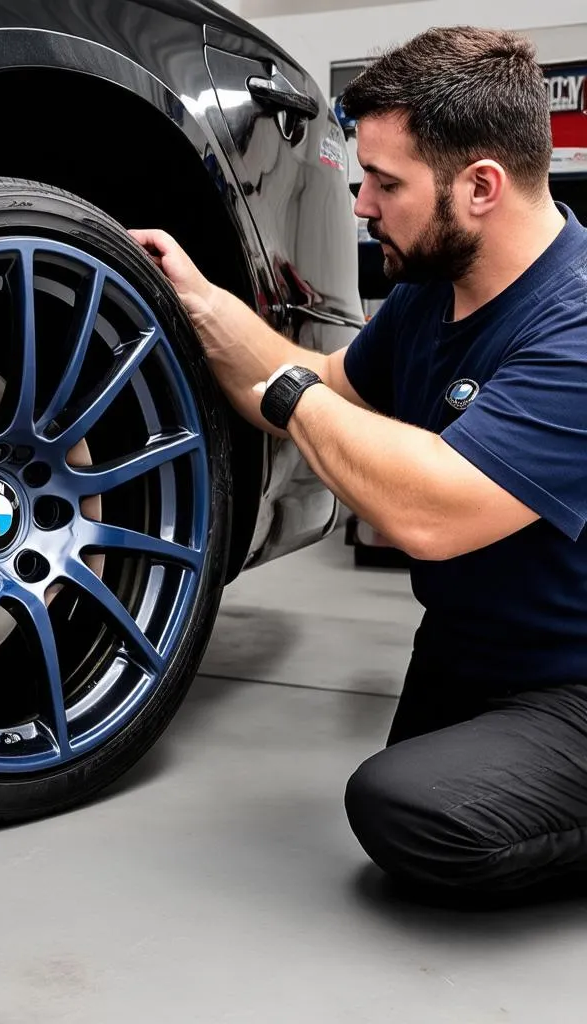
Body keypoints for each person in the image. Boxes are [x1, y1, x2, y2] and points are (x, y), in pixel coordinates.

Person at [131, 25, 587, 896]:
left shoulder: (574, 324)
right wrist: (207, 305)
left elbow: (433, 514)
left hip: (575, 685)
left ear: (481, 186)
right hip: (473, 656)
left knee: (404, 808)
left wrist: (286, 389)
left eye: (386, 183)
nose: (363, 205)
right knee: (422, 779)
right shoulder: (429, 293)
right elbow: (327, 386)